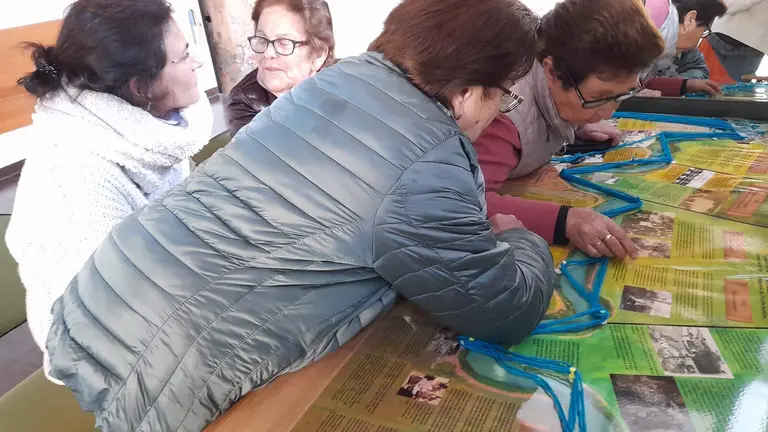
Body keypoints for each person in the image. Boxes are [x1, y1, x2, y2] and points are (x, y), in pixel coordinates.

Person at [45, 0, 553, 430]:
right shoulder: (426, 157)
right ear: (466, 92)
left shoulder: (339, 80)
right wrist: (520, 241)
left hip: (102, 296)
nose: (499, 112)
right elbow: (503, 311)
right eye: (503, 96)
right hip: (165, 359)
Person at [6, 0, 211, 381]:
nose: (196, 61)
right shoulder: (79, 185)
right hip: (104, 357)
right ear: (142, 87)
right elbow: (118, 327)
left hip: (169, 306)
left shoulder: (150, 127)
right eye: (182, 57)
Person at [474, 0, 666, 260]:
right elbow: (467, 202)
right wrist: (566, 220)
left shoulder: (566, 88)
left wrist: (577, 124)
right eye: (599, 97)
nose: (609, 112)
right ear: (551, 71)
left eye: (623, 94)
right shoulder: (502, 116)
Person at [226, 0, 335, 135]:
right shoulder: (245, 100)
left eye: (284, 42)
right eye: (262, 39)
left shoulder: (345, 85)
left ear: (318, 54)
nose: (268, 53)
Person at [643, 0, 728, 96]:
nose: (700, 38)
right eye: (704, 31)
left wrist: (685, 85)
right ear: (690, 19)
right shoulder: (646, 24)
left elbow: (641, 84)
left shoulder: (662, 30)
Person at [702, 0, 768, 83]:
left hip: (745, 48)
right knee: (700, 86)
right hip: (719, 38)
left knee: (732, 91)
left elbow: (725, 5)